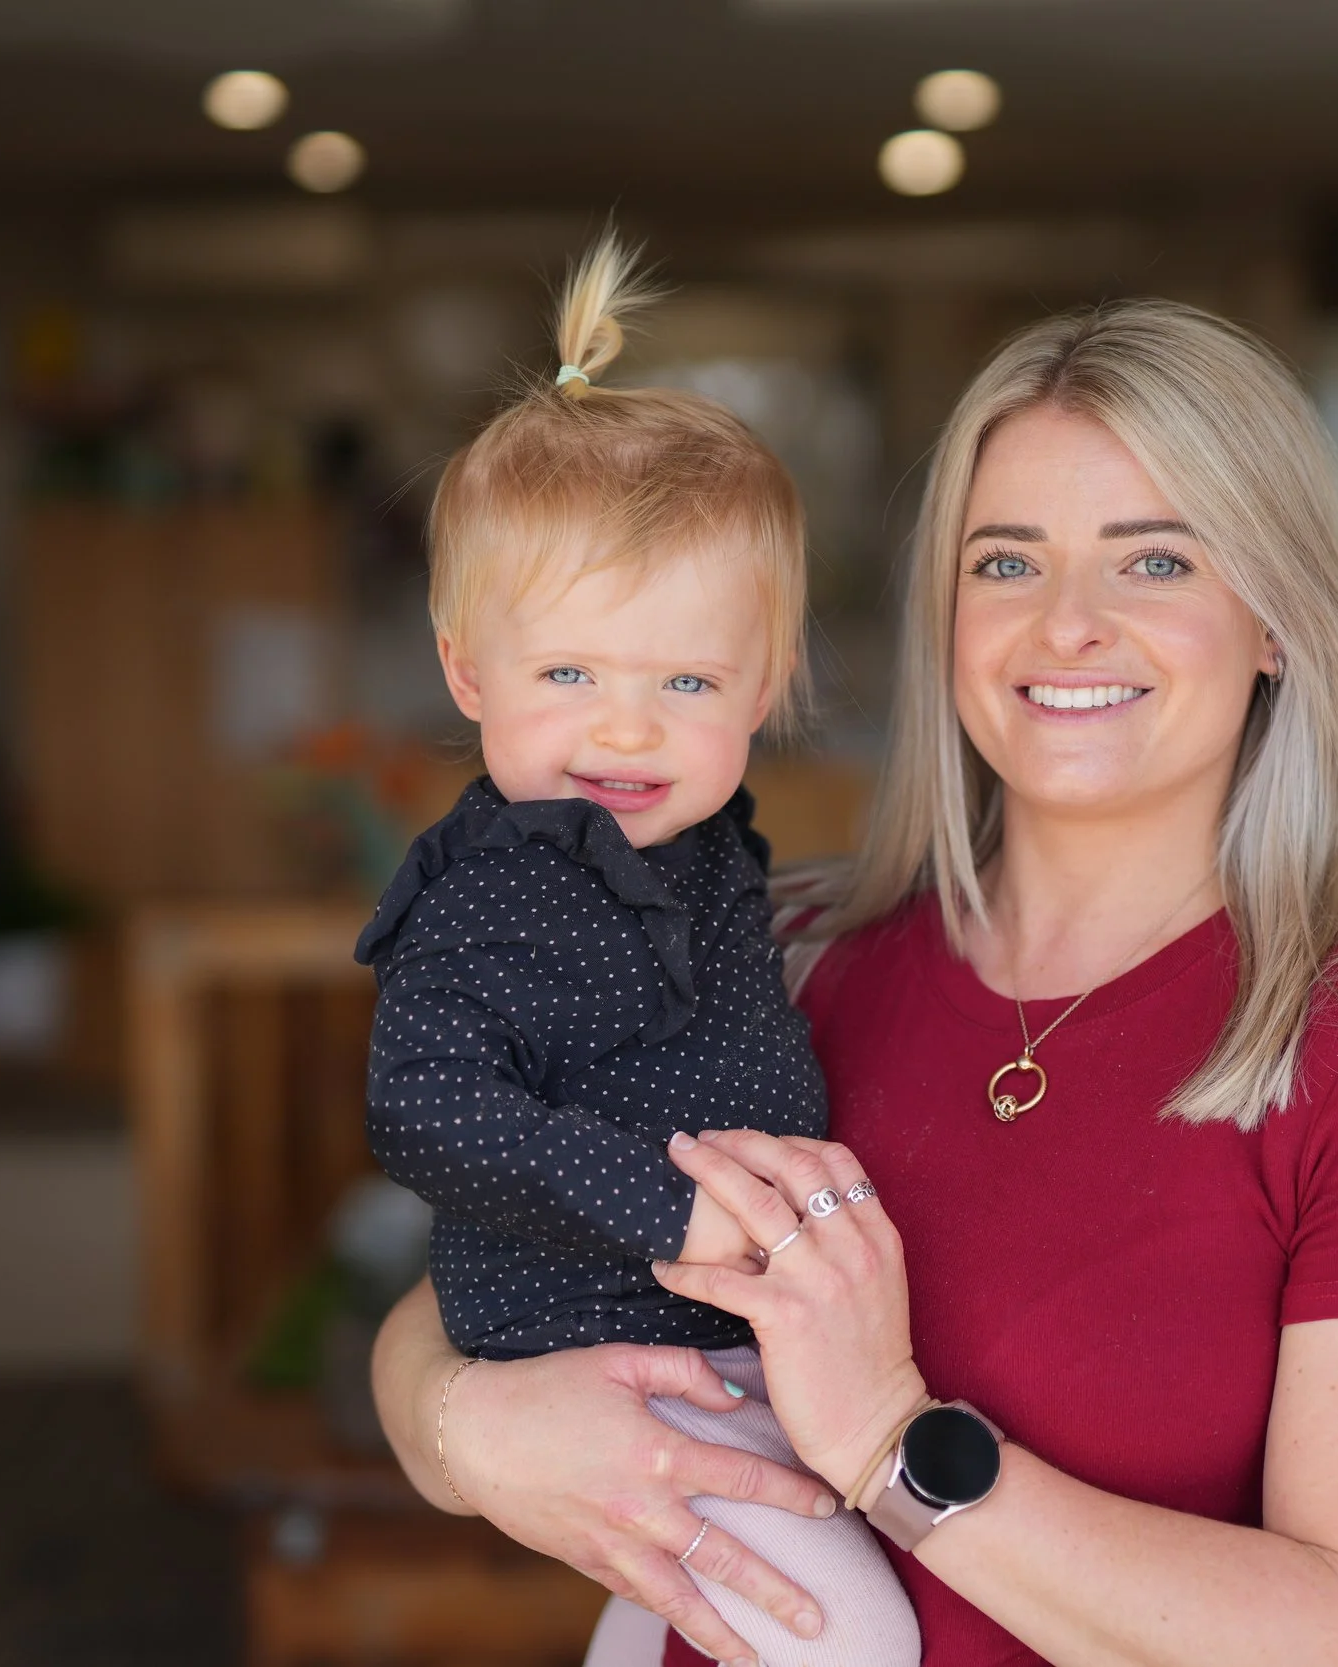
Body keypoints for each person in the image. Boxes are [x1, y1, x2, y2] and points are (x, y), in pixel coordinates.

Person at [373, 292, 1338, 1667]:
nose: (1067, 625)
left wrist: (890, 1441)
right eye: (1007, 562)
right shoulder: (779, 948)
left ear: (1277, 618)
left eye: (1154, 563)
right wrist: (473, 1428)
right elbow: (451, 1295)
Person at [356, 236, 917, 1667]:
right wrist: (672, 1214)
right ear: (466, 668)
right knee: (839, 1636)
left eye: (685, 680)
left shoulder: (717, 850)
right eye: (567, 676)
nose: (624, 729)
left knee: (683, 1604)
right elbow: (424, 1106)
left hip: (726, 1330)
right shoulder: (494, 889)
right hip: (602, 1335)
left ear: (767, 685)